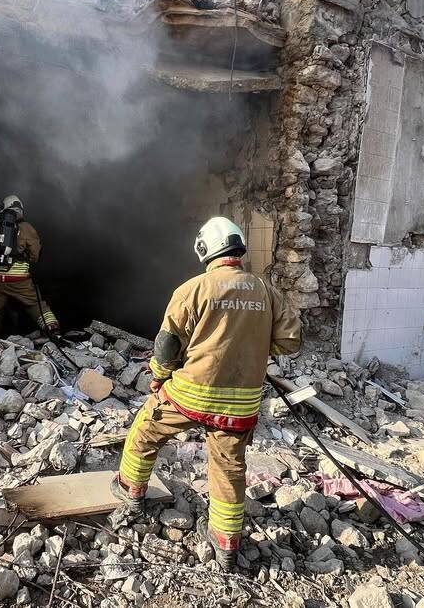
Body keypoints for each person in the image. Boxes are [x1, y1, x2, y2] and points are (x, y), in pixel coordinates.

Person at [111, 216, 302, 570]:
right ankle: (226, 543)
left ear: (204, 249)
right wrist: (254, 347)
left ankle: (131, 494)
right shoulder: (266, 290)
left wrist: (158, 376)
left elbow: (167, 346)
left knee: (144, 433)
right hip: (241, 403)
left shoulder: (193, 289)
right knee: (229, 468)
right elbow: (290, 341)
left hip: (191, 394)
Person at [0, 195, 60, 337]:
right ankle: (53, 330)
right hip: (17, 280)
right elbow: (35, 255)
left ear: (3, 208)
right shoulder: (27, 228)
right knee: (35, 304)